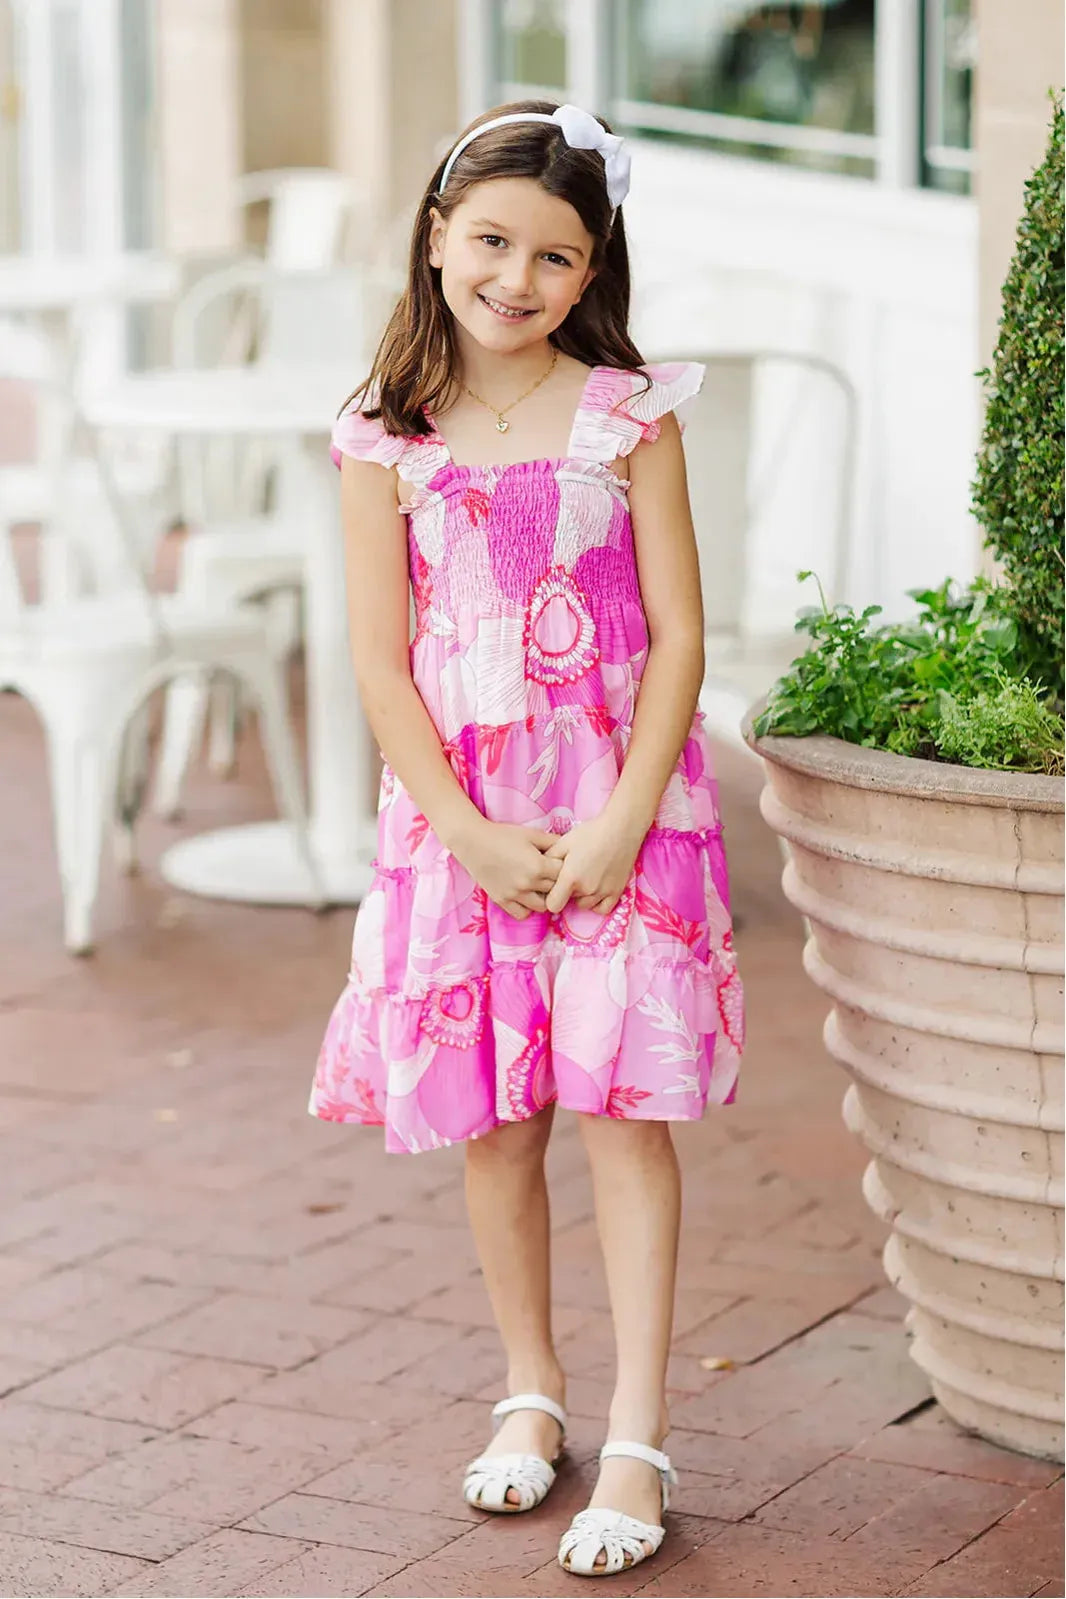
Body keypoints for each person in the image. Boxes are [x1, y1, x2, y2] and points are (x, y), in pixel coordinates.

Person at [309, 99, 745, 1577]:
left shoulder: (631, 415)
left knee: (625, 1112)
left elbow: (679, 634)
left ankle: (636, 1434)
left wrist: (622, 817)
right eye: (492, 241)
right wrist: (469, 835)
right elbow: (382, 664)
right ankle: (530, 1391)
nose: (517, 278)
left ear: (589, 271)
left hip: (628, 816)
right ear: (437, 236)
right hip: (463, 834)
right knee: (499, 1126)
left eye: (555, 256)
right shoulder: (382, 437)